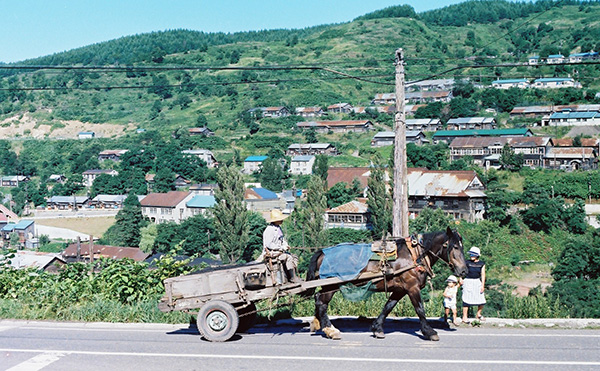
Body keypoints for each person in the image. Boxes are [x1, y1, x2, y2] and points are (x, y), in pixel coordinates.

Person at [262, 209, 300, 283]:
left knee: (294, 256)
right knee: (288, 257)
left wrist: (286, 245)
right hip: (271, 253)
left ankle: (291, 275)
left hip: (278, 251)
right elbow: (269, 244)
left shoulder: (278, 228)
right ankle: (292, 277)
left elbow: (282, 239)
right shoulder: (269, 230)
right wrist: (281, 248)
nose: (282, 220)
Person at [462, 246, 486, 323]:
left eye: (473, 254)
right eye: (471, 254)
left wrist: (483, 285)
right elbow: (461, 271)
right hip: (468, 281)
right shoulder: (466, 262)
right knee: (466, 299)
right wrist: (460, 279)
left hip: (477, 281)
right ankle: (464, 317)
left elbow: (483, 274)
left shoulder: (481, 263)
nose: (472, 256)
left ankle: (478, 314)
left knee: (481, 300)